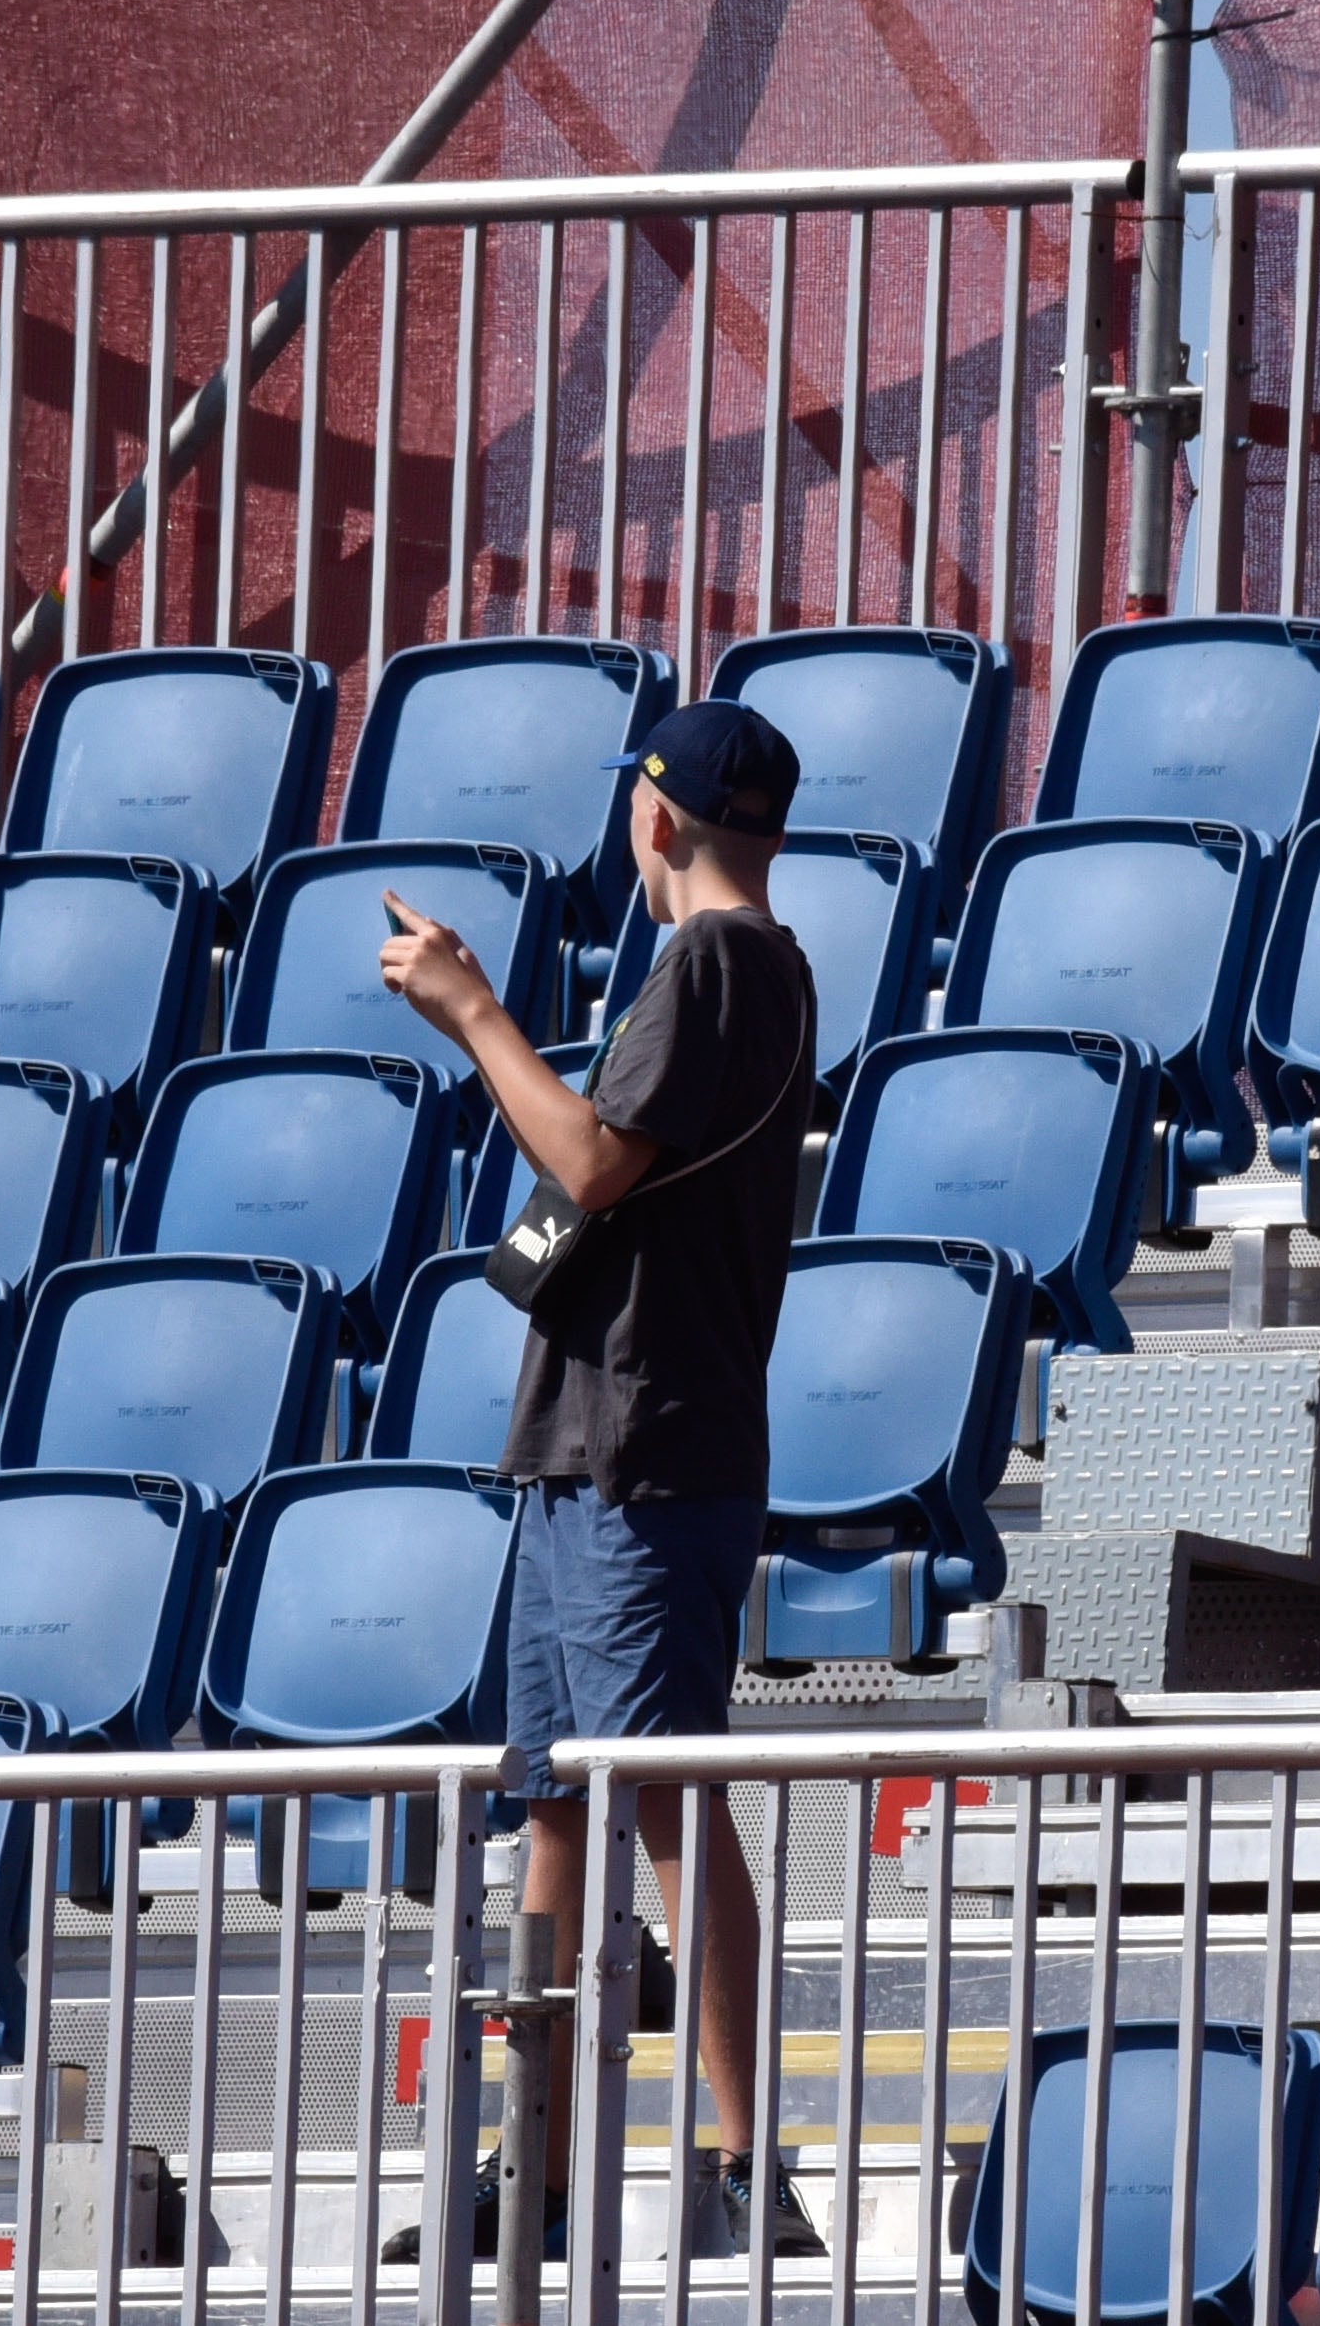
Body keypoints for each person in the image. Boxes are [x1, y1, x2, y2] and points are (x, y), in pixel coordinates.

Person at [375, 699, 828, 2265]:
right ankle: (531, 2167)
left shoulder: (716, 963)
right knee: (556, 1802)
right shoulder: (733, 966)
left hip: (646, 1443)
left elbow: (588, 1163)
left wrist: (470, 1007)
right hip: (595, 1437)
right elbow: (594, 1203)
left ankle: (741, 2158)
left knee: (658, 1795)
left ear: (653, 819)